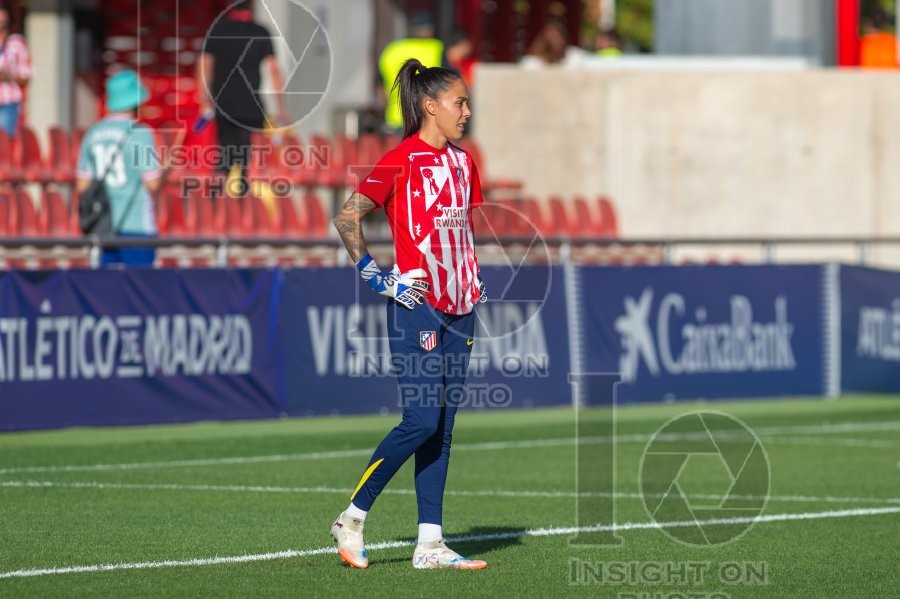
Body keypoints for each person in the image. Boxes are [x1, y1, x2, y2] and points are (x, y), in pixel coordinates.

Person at [330, 58, 487, 570]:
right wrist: (380, 278)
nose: (466, 111)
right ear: (430, 106)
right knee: (420, 420)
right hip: (417, 307)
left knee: (441, 426)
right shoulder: (400, 160)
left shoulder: (466, 163)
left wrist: (472, 277)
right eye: (459, 102)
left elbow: (460, 232)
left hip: (461, 309)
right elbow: (347, 214)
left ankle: (430, 544)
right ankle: (352, 518)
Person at [197, 0, 289, 196]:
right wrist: (281, 107)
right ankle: (242, 209)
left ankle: (215, 206)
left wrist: (204, 100)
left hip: (223, 107)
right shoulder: (260, 31)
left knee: (224, 157)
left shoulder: (217, 29)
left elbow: (204, 67)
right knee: (248, 163)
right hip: (252, 108)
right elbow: (274, 70)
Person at [75, 70, 161, 267]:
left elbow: (81, 185)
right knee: (141, 292)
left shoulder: (93, 132)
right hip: (137, 225)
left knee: (105, 292)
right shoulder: (141, 134)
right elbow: (153, 184)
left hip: (102, 226)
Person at [377, 11, 446, 134]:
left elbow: (380, 87)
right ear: (430, 30)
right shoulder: (437, 48)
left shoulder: (391, 49)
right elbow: (450, 85)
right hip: (425, 121)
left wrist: (387, 108)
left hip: (395, 120)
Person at [0, 5, 32, 137]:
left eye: (3, 23)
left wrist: (8, 76)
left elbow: (27, 75)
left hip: (8, 103)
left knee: (4, 143)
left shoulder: (16, 43)